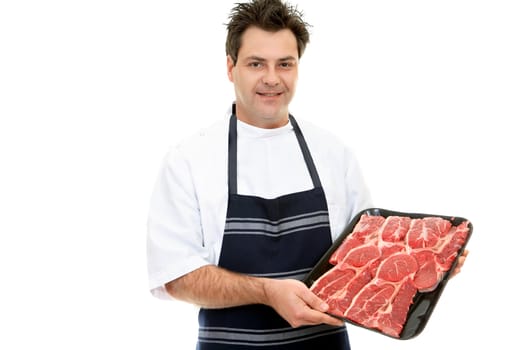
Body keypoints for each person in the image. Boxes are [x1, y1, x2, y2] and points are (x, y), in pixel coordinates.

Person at [146, 0, 468, 348]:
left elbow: (369, 262)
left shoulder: (333, 154)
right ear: (230, 67)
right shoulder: (189, 160)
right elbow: (175, 276)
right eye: (256, 64)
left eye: (285, 64)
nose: (272, 78)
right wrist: (266, 291)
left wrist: (430, 259)